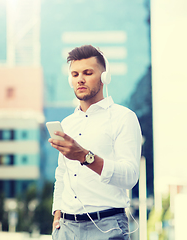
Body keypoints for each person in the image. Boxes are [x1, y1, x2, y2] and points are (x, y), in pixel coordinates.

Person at [48, 45, 142, 240]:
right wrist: (57, 211)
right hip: (66, 229)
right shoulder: (67, 123)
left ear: (104, 77)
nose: (80, 79)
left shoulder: (124, 117)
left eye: (87, 72)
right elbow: (62, 173)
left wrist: (85, 157)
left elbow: (130, 176)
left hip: (106, 226)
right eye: (74, 74)